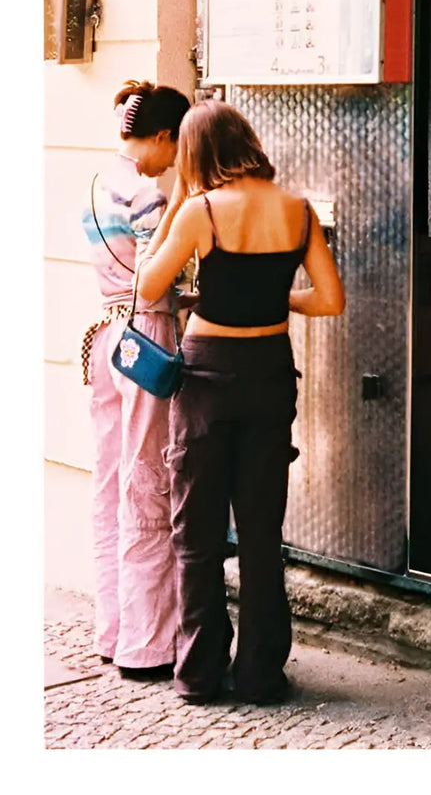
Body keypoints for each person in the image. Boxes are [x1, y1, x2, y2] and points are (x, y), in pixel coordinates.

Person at [136, 100, 345, 706]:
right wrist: (277, 299)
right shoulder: (298, 210)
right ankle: (260, 674)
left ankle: (200, 673)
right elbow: (330, 299)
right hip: (269, 373)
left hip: (206, 377)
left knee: (196, 527)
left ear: (196, 154)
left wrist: (179, 203)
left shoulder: (200, 210)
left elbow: (148, 286)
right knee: (260, 530)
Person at [81, 78, 192, 678]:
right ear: (163, 135)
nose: (174, 159)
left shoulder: (97, 182)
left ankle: (112, 629)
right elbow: (155, 274)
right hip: (145, 335)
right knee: (148, 480)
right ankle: (148, 645)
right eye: (175, 146)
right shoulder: (147, 193)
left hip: (104, 337)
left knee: (111, 480)